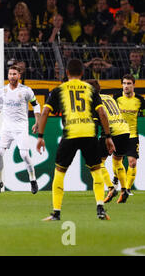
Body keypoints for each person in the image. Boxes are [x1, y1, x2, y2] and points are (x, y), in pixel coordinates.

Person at [36, 59, 115, 221]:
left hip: (70, 134)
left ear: (66, 73)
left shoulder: (60, 89)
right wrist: (108, 137)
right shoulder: (90, 89)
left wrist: (40, 136)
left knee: (59, 172)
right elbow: (102, 114)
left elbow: (44, 113)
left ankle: (56, 212)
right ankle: (100, 208)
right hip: (89, 133)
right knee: (96, 170)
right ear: (82, 73)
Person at [0, 65, 41, 194]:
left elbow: (36, 105)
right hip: (6, 127)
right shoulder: (2, 91)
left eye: (14, 74)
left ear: (19, 76)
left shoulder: (26, 90)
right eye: (10, 74)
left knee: (24, 155)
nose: (12, 76)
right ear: (7, 76)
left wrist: (37, 121)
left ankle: (33, 180)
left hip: (20, 127)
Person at [85, 80, 130, 204]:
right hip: (124, 129)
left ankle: (110, 188)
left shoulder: (94, 101)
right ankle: (124, 189)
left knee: (98, 162)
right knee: (118, 161)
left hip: (111, 131)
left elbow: (99, 119)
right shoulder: (109, 98)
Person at [113, 74, 145, 196]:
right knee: (117, 161)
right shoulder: (116, 98)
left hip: (132, 135)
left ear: (133, 85)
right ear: (122, 85)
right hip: (119, 133)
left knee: (132, 162)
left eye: (129, 84)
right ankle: (116, 178)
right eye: (124, 83)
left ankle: (127, 189)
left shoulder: (139, 100)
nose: (126, 86)